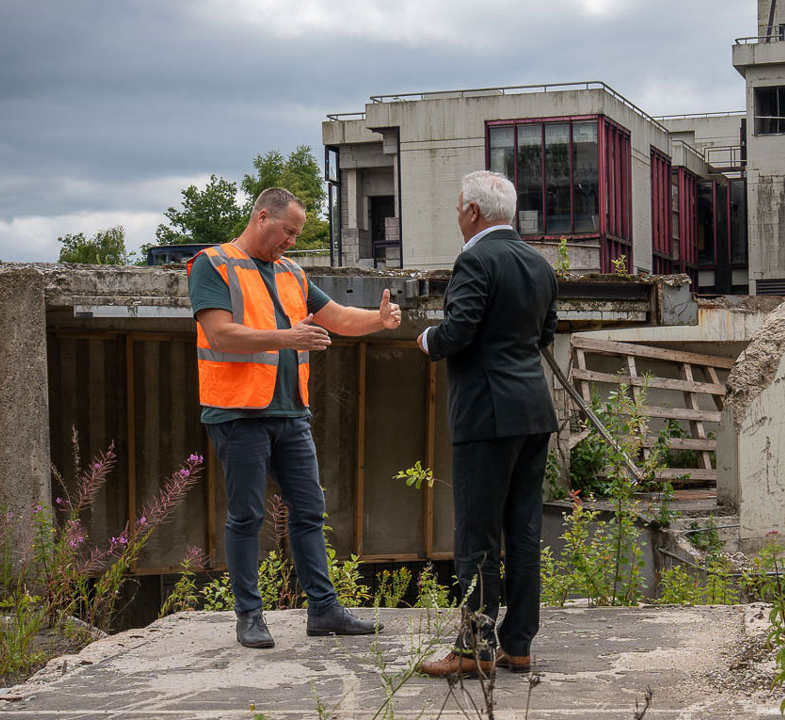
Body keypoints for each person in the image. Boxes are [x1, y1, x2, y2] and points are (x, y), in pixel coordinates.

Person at [187, 187, 401, 648]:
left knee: (310, 511)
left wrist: (379, 320)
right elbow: (220, 334)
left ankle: (323, 610)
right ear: (262, 217)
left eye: (297, 234)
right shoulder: (213, 263)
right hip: (238, 411)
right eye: (288, 231)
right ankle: (249, 616)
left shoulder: (291, 273)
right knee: (247, 515)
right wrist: (287, 338)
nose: (291, 240)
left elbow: (338, 317)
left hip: (290, 412)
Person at [415, 171, 558, 677]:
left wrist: (428, 339)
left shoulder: (475, 258)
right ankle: (517, 645)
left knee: (476, 536)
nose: (457, 215)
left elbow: (458, 331)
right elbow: (546, 332)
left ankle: (474, 648)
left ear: (473, 211)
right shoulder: (538, 262)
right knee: (522, 532)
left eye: (458, 208)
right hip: (534, 412)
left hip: (486, 415)